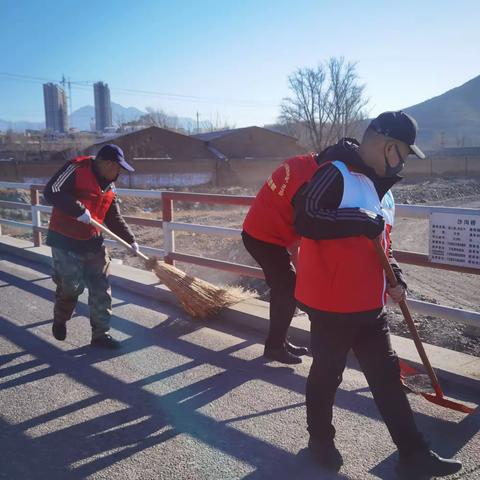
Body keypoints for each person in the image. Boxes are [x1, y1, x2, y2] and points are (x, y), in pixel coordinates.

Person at [293, 111, 463, 477]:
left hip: (370, 305)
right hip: (332, 304)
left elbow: (384, 246)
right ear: (388, 146)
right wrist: (356, 220)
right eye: (402, 152)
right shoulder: (334, 172)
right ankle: (320, 440)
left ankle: (413, 453)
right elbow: (305, 216)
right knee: (327, 374)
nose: (402, 161)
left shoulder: (383, 192)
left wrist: (395, 278)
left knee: (387, 379)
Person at [44, 144, 139, 349]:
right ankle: (60, 318)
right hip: (65, 239)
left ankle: (100, 334)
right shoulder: (77, 169)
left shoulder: (110, 186)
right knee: (71, 287)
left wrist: (130, 240)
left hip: (93, 241)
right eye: (118, 167)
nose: (119, 172)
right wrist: (77, 209)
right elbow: (51, 191)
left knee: (101, 289)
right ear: (107, 163)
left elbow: (113, 217)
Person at [242, 152, 325, 364]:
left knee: (286, 288)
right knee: (287, 289)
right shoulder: (311, 184)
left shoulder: (303, 163)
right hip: (262, 238)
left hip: (262, 234)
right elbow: (296, 242)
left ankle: (279, 341)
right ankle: (274, 347)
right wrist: (301, 278)